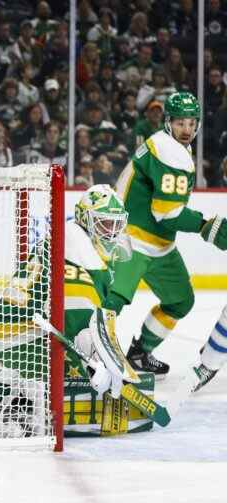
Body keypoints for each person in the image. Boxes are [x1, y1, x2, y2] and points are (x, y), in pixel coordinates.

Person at [0, 185, 140, 435]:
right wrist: (93, 364)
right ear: (86, 218)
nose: (112, 232)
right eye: (105, 224)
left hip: (10, 329)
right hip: (23, 336)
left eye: (116, 224)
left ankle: (5, 382)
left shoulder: (70, 238)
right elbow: (78, 319)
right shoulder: (78, 251)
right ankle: (18, 407)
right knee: (73, 364)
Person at [104, 92, 227, 377]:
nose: (187, 129)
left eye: (191, 123)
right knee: (112, 303)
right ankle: (85, 354)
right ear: (168, 122)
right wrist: (206, 226)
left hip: (158, 243)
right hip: (130, 239)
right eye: (181, 123)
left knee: (180, 300)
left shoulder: (171, 146)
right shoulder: (168, 150)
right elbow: (167, 214)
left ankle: (139, 353)